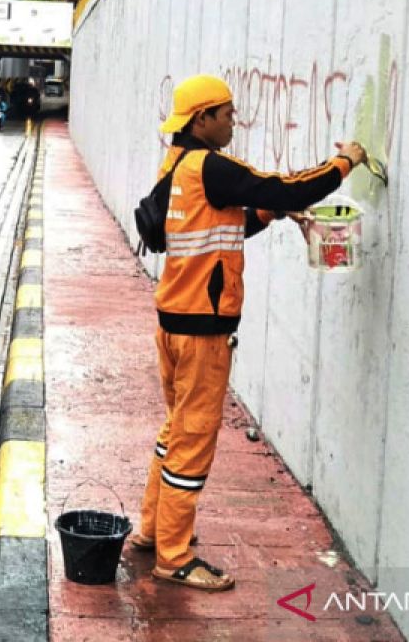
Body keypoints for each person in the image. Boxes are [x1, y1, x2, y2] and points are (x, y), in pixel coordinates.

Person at [131, 74, 366, 592]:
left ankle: (152, 531)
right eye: (228, 113)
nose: (234, 121)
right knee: (193, 444)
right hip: (202, 331)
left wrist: (271, 213)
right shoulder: (212, 166)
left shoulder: (177, 166)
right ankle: (175, 555)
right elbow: (284, 186)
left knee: (176, 433)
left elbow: (224, 223)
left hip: (173, 322)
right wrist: (345, 161)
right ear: (203, 119)